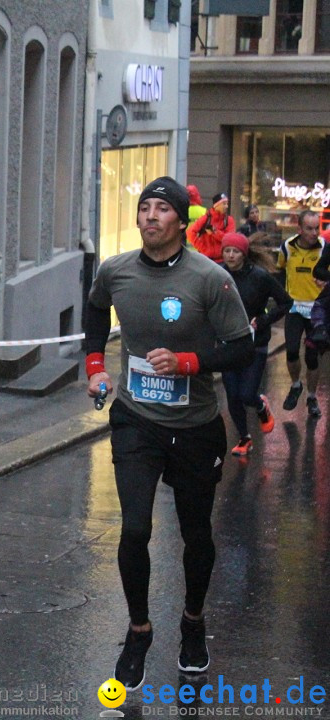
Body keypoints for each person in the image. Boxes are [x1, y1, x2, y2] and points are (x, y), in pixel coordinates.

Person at [84, 177, 253, 690]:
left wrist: (190, 362)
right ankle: (139, 631)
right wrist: (95, 366)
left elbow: (242, 347)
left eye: (162, 209)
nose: (151, 216)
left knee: (196, 532)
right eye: (145, 208)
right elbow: (94, 310)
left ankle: (193, 624)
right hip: (137, 419)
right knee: (135, 529)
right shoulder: (115, 271)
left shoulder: (210, 278)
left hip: (196, 427)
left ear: (181, 221)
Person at [218, 232, 292, 457]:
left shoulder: (260, 277)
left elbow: (285, 303)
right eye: (227, 251)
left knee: (247, 394)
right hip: (228, 343)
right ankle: (244, 438)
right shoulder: (217, 274)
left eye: (235, 251)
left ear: (244, 254)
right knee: (232, 395)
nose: (230, 255)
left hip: (255, 344)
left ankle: (260, 405)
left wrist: (263, 320)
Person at [276, 209, 326, 417]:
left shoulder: (325, 248)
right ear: (299, 228)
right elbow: (279, 271)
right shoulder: (287, 247)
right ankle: (296, 385)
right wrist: (280, 300)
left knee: (312, 358)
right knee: (292, 350)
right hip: (295, 307)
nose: (314, 233)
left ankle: (312, 397)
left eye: (317, 228)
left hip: (317, 310)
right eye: (309, 229)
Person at [186, 192, 236, 263]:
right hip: (206, 260)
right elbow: (190, 233)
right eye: (224, 204)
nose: (226, 206)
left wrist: (214, 232)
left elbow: (229, 239)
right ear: (216, 205)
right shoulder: (206, 218)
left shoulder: (229, 220)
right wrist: (203, 249)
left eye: (227, 204)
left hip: (223, 260)